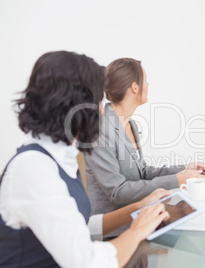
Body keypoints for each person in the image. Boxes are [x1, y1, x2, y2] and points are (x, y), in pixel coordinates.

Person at [0, 51, 171, 268]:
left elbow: (77, 225)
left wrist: (139, 207)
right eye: (98, 100)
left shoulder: (60, 159)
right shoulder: (33, 168)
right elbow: (87, 262)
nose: (102, 109)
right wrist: (137, 231)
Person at [84, 57, 205, 237]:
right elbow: (118, 192)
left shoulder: (132, 126)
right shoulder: (100, 130)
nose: (148, 85)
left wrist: (185, 170)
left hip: (138, 222)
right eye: (146, 80)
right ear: (134, 87)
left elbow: (142, 173)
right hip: (111, 233)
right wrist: (177, 180)